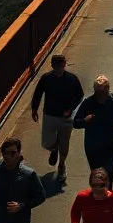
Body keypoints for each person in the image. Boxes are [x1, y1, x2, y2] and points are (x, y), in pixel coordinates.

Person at [31, 54, 84, 182]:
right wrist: (34, 109)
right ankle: (54, 148)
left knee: (64, 144)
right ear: (52, 66)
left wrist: (70, 109)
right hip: (50, 114)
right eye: (56, 67)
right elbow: (38, 93)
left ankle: (61, 165)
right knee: (46, 142)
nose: (59, 69)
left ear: (64, 65)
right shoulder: (46, 78)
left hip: (66, 118)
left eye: (61, 66)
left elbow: (79, 95)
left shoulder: (72, 79)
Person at [73, 75, 113, 188]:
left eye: (103, 91)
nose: (100, 94)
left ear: (108, 89)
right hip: (93, 146)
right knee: (96, 174)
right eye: (98, 91)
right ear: (95, 90)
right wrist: (85, 121)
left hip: (111, 145)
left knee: (108, 173)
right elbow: (75, 123)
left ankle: (108, 197)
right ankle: (97, 197)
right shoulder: (88, 102)